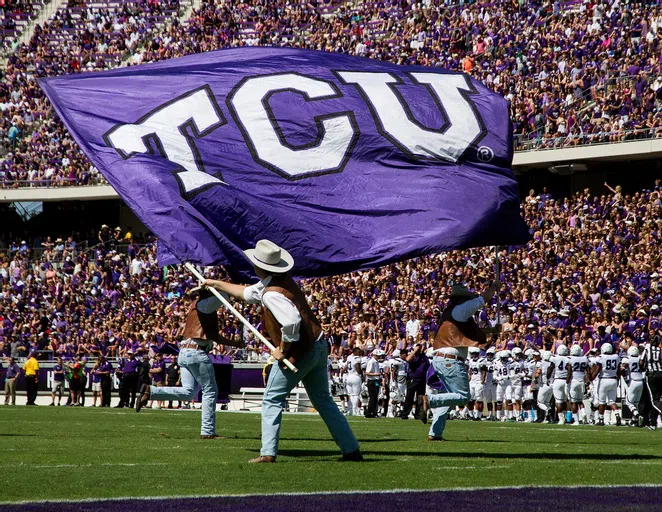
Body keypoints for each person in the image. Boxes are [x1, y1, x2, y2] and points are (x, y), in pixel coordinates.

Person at [204, 239, 362, 462]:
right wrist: (215, 283)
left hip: (300, 351)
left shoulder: (271, 293)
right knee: (323, 401)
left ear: (259, 266)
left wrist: (282, 348)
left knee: (271, 399)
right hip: (317, 345)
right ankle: (351, 449)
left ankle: (268, 453)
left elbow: (291, 323)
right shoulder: (278, 282)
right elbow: (247, 293)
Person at [137, 286, 240, 439]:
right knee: (210, 391)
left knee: (188, 392)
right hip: (196, 352)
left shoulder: (198, 310)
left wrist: (236, 344)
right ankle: (207, 431)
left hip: (185, 352)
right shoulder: (204, 305)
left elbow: (214, 337)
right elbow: (223, 296)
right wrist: (234, 290)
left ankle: (151, 391)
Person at [427, 282, 499, 415]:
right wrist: (494, 288)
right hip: (450, 359)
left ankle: (434, 432)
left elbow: (467, 331)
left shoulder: (450, 312)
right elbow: (482, 300)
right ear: (462, 298)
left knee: (447, 396)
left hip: (439, 358)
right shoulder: (461, 308)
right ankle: (428, 401)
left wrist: (492, 330)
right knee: (464, 396)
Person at [399, 343, 429, 421]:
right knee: (409, 397)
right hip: (413, 379)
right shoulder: (413, 356)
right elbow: (408, 360)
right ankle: (405, 414)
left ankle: (418, 414)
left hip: (422, 380)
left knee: (420, 397)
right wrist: (414, 351)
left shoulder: (424, 357)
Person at [364, 349, 383, 418]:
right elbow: (367, 373)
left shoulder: (376, 362)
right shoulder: (371, 362)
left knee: (375, 397)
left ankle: (373, 412)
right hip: (372, 381)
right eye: (378, 356)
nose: (379, 357)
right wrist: (376, 374)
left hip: (376, 381)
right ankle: (369, 412)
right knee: (373, 397)